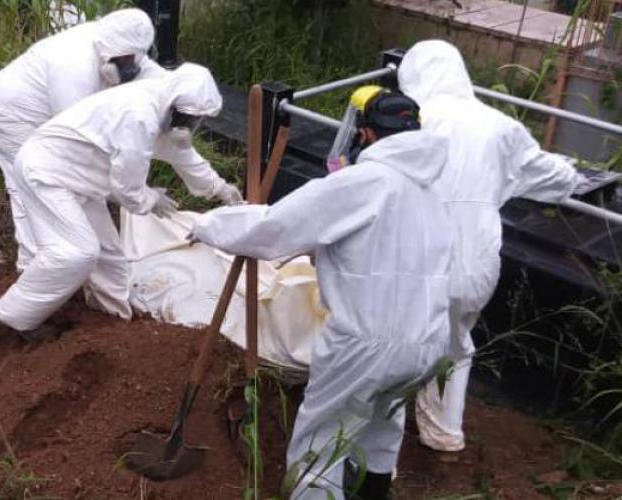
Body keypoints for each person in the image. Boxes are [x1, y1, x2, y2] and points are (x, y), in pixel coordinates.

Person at [190, 87, 454, 500]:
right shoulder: (434, 194)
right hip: (427, 343)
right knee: (380, 431)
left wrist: (208, 225)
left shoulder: (363, 182)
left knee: (320, 445)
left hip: (365, 344)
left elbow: (274, 228)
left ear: (366, 135)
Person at [397, 40, 588, 454]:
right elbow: (552, 176)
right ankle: (444, 433)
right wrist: (575, 175)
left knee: (398, 346)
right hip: (475, 263)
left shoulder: (413, 120)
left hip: (419, 257)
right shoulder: (501, 127)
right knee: (455, 343)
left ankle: (380, 459)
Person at [0, 63, 244, 341]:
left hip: (80, 177)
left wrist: (220, 188)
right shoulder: (139, 116)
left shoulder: (163, 108)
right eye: (187, 118)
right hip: (48, 173)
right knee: (78, 252)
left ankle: (114, 321)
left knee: (109, 254)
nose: (189, 127)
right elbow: (126, 186)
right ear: (175, 105)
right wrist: (150, 199)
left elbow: (183, 154)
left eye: (194, 121)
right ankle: (17, 316)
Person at [0, 8, 166, 273]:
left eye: (130, 59)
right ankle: (33, 267)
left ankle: (75, 268)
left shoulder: (125, 43)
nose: (126, 64)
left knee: (80, 190)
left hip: (50, 114)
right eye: (122, 59)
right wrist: (130, 189)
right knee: (28, 186)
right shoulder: (74, 64)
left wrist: (184, 96)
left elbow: (157, 80)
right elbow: (76, 140)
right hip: (13, 112)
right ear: (109, 45)